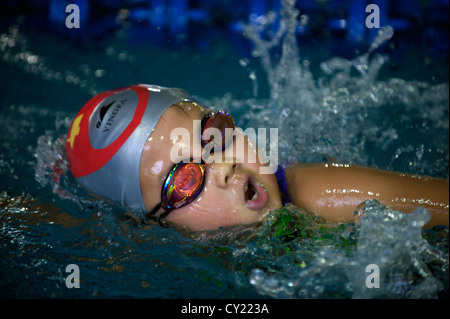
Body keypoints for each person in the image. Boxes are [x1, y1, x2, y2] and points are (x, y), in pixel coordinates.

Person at [65, 84, 449, 232]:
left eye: (213, 136)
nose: (223, 166)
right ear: (146, 223)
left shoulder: (318, 195)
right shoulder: (142, 259)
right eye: (184, 180)